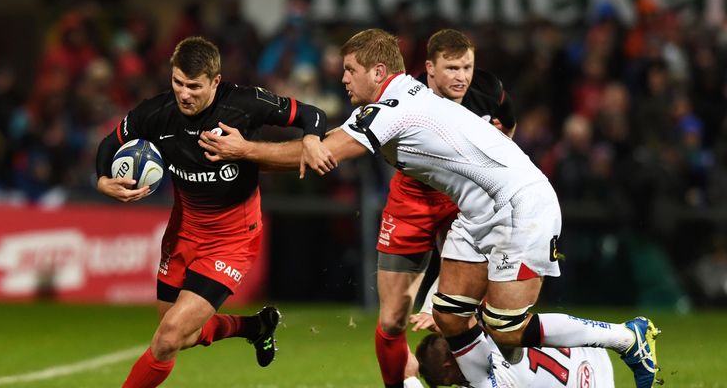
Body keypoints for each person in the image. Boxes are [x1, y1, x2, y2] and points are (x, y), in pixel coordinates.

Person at [198, 28, 661, 388]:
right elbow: (326, 147)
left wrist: (244, 150)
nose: (343, 78)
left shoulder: (394, 106)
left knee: (505, 328)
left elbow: (325, 155)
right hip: (477, 212)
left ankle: (627, 337)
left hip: (521, 205)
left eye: (350, 70)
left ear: (378, 72)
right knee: (450, 318)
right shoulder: (398, 99)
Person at [95, 36, 333, 388]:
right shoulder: (157, 113)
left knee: (167, 340)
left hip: (232, 239)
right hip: (182, 233)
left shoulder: (244, 103)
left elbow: (313, 115)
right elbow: (109, 143)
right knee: (177, 335)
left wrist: (312, 138)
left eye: (194, 86)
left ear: (215, 82)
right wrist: (102, 180)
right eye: (178, 83)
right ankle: (254, 326)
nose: (184, 94)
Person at [371, 29, 516, 388]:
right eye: (451, 68)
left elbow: (507, 125)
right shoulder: (408, 99)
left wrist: (499, 141)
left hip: (462, 197)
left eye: (467, 66)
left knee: (472, 301)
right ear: (430, 69)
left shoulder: (488, 88)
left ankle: (476, 376)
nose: (462, 76)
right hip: (413, 198)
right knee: (391, 319)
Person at [414, 332, 615, 387]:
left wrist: (408, 380)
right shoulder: (488, 330)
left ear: (448, 366)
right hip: (589, 353)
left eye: (447, 382)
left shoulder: (491, 377)